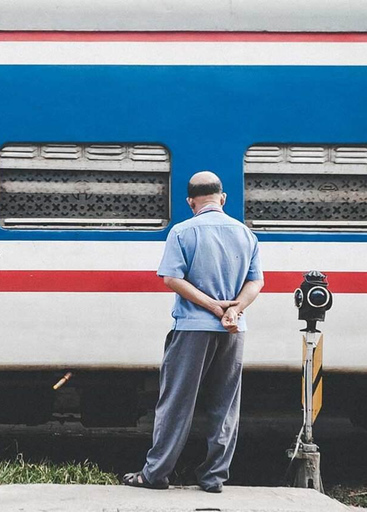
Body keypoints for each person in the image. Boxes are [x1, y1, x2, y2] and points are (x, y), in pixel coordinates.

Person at [123, 171, 264, 492]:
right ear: (222, 198)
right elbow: (256, 282)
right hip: (234, 330)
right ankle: (214, 477)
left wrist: (214, 307)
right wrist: (233, 309)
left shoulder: (183, 232)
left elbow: (172, 278)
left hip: (191, 329)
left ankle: (156, 474)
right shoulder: (246, 234)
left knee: (176, 402)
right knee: (225, 404)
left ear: (190, 201)